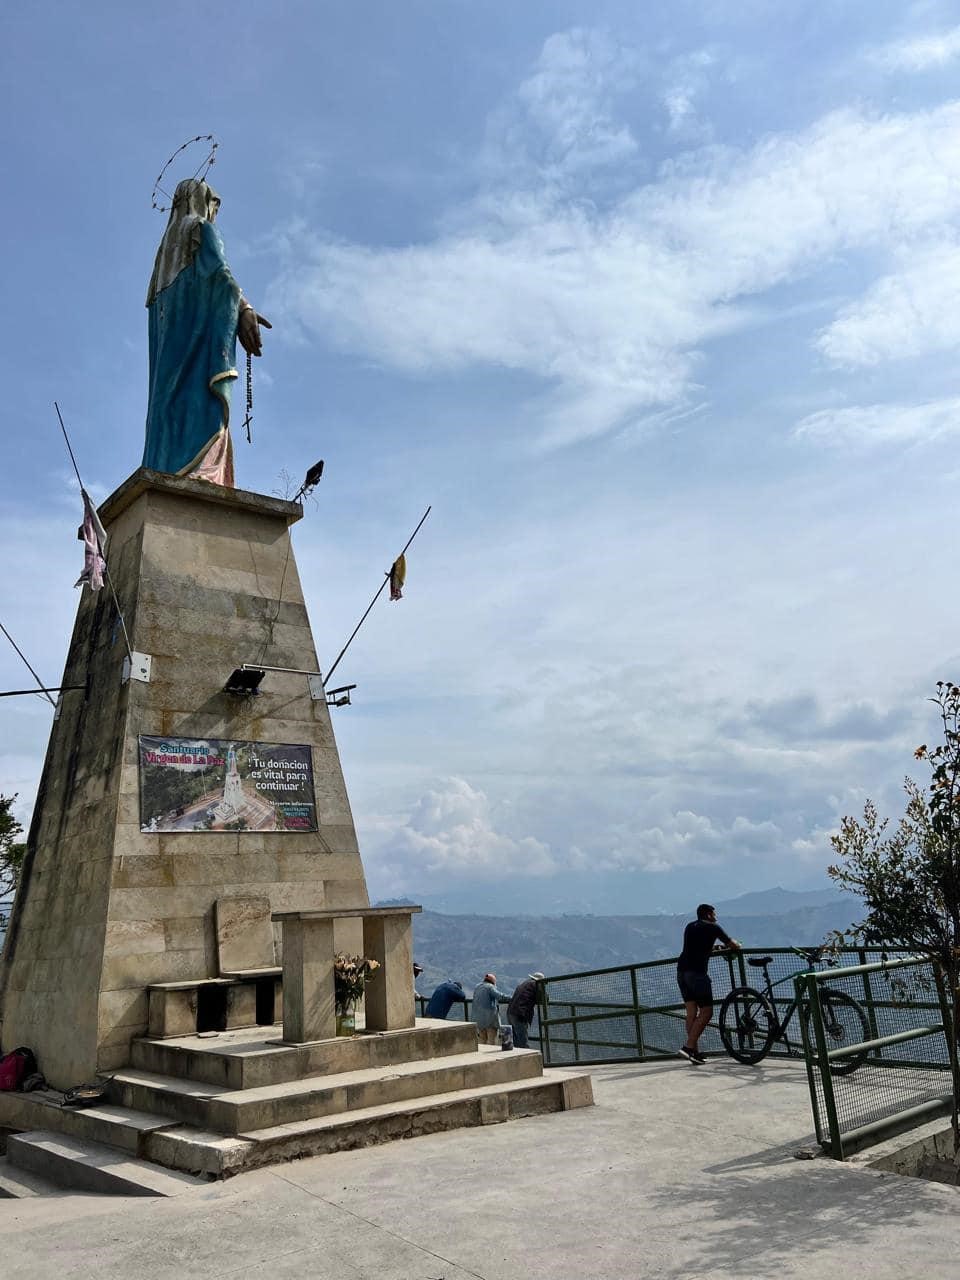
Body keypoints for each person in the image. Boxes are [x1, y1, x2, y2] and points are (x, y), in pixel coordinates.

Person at [144, 177, 271, 487]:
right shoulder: (201, 231)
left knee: (170, 406)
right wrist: (244, 308)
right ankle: (201, 469)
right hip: (199, 355)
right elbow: (220, 276)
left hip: (169, 368)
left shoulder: (161, 263)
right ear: (202, 201)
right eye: (213, 204)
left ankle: (166, 465)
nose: (214, 213)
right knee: (202, 404)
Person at [677, 903, 740, 1065]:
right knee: (706, 1012)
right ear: (708, 915)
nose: (716, 916)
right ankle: (688, 1047)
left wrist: (713, 948)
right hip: (697, 974)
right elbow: (734, 945)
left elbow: (696, 947)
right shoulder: (714, 928)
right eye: (714, 914)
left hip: (682, 972)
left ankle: (693, 1052)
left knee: (691, 1012)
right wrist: (736, 946)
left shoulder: (690, 926)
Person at [471, 973, 512, 1045]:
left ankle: (482, 1056)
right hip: (489, 1019)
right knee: (491, 1040)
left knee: (482, 1041)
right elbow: (500, 996)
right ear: (493, 982)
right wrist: (512, 998)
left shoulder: (477, 987)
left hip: (478, 1020)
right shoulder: (490, 987)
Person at [507, 972, 544, 1049]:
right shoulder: (535, 985)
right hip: (520, 1014)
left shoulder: (524, 984)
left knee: (516, 1039)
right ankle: (525, 1058)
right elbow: (542, 997)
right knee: (523, 1040)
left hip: (511, 1012)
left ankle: (517, 1057)